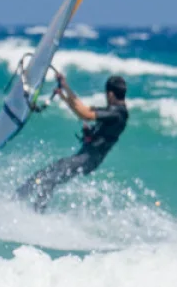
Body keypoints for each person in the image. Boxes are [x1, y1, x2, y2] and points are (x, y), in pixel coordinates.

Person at [16, 75, 131, 212]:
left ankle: (36, 213)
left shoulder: (117, 113)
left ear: (110, 94)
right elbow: (83, 110)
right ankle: (17, 199)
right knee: (43, 175)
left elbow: (85, 114)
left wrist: (66, 92)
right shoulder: (114, 112)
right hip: (84, 158)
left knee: (50, 179)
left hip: (87, 159)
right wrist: (64, 91)